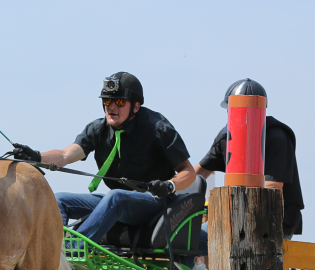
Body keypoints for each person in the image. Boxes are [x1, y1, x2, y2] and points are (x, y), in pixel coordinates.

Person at [12, 72, 196, 244]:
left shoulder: (158, 128)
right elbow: (65, 155)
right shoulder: (98, 129)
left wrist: (170, 185)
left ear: (136, 106)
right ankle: (54, 255)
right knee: (60, 200)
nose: (112, 107)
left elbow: (188, 171)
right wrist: (36, 156)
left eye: (120, 102)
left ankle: (74, 251)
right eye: (107, 101)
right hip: (115, 201)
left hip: (154, 201)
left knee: (116, 197)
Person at [194, 78, 305, 255]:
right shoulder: (226, 137)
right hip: (234, 217)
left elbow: (272, 188)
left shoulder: (276, 136)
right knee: (185, 239)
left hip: (275, 222)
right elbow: (199, 172)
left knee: (260, 268)